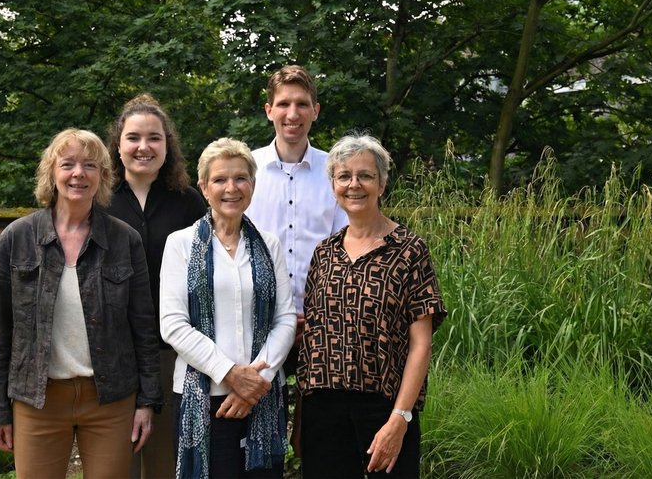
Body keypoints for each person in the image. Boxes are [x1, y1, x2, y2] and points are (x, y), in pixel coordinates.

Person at [0, 128, 162, 478]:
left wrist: (146, 402)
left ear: (103, 177)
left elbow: (143, 327)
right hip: (38, 399)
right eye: (68, 164)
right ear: (52, 172)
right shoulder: (18, 238)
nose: (79, 173)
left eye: (90, 166)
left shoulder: (124, 240)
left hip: (111, 399)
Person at [296, 133, 447, 478]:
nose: (354, 185)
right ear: (333, 184)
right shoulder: (324, 253)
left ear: (381, 183)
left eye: (365, 175)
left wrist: (400, 418)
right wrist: (302, 418)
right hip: (323, 408)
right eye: (344, 176)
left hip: (384, 407)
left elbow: (421, 344)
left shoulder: (409, 250)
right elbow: (313, 340)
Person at [160, 138, 297, 478]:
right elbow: (173, 325)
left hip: (263, 395)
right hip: (202, 399)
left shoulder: (270, 244)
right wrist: (230, 374)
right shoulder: (181, 244)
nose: (231, 188)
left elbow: (285, 318)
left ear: (252, 184)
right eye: (220, 179)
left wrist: (256, 382)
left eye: (241, 178)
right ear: (204, 187)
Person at [105, 94, 207, 479]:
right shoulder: (99, 202)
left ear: (168, 145)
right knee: (117, 463)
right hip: (112, 353)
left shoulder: (190, 204)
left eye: (154, 138)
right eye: (133, 138)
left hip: (172, 353)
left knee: (165, 463)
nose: (143, 147)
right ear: (118, 145)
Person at [244, 64, 348, 361]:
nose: (292, 114)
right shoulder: (245, 171)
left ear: (315, 110)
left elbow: (344, 250)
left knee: (316, 409)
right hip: (256, 324)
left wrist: (315, 314)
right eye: (283, 104)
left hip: (323, 324)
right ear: (268, 110)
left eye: (302, 104)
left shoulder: (336, 173)